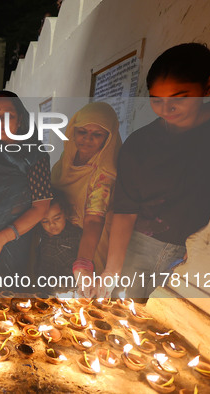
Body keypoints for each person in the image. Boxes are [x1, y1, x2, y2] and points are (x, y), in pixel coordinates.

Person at [98, 43, 210, 299]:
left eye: (180, 98)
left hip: (201, 252)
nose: (166, 110)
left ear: (209, 85)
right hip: (140, 248)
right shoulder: (140, 144)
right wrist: (112, 270)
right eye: (156, 100)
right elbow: (125, 210)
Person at [0, 91, 52, 291]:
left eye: (9, 116)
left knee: (7, 302)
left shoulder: (35, 155)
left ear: (20, 118)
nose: (1, 123)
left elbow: (41, 208)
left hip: (13, 242)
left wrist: (2, 239)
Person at [50, 101, 121, 295]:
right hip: (59, 235)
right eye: (82, 131)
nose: (87, 139)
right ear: (73, 130)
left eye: (97, 134)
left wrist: (83, 263)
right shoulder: (66, 160)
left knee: (79, 300)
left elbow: (93, 220)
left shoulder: (104, 173)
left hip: (88, 244)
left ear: (109, 138)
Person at [35, 190, 82, 294]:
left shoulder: (77, 235)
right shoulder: (40, 235)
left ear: (65, 213)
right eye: (45, 221)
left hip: (70, 291)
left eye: (57, 218)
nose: (51, 225)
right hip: (44, 289)